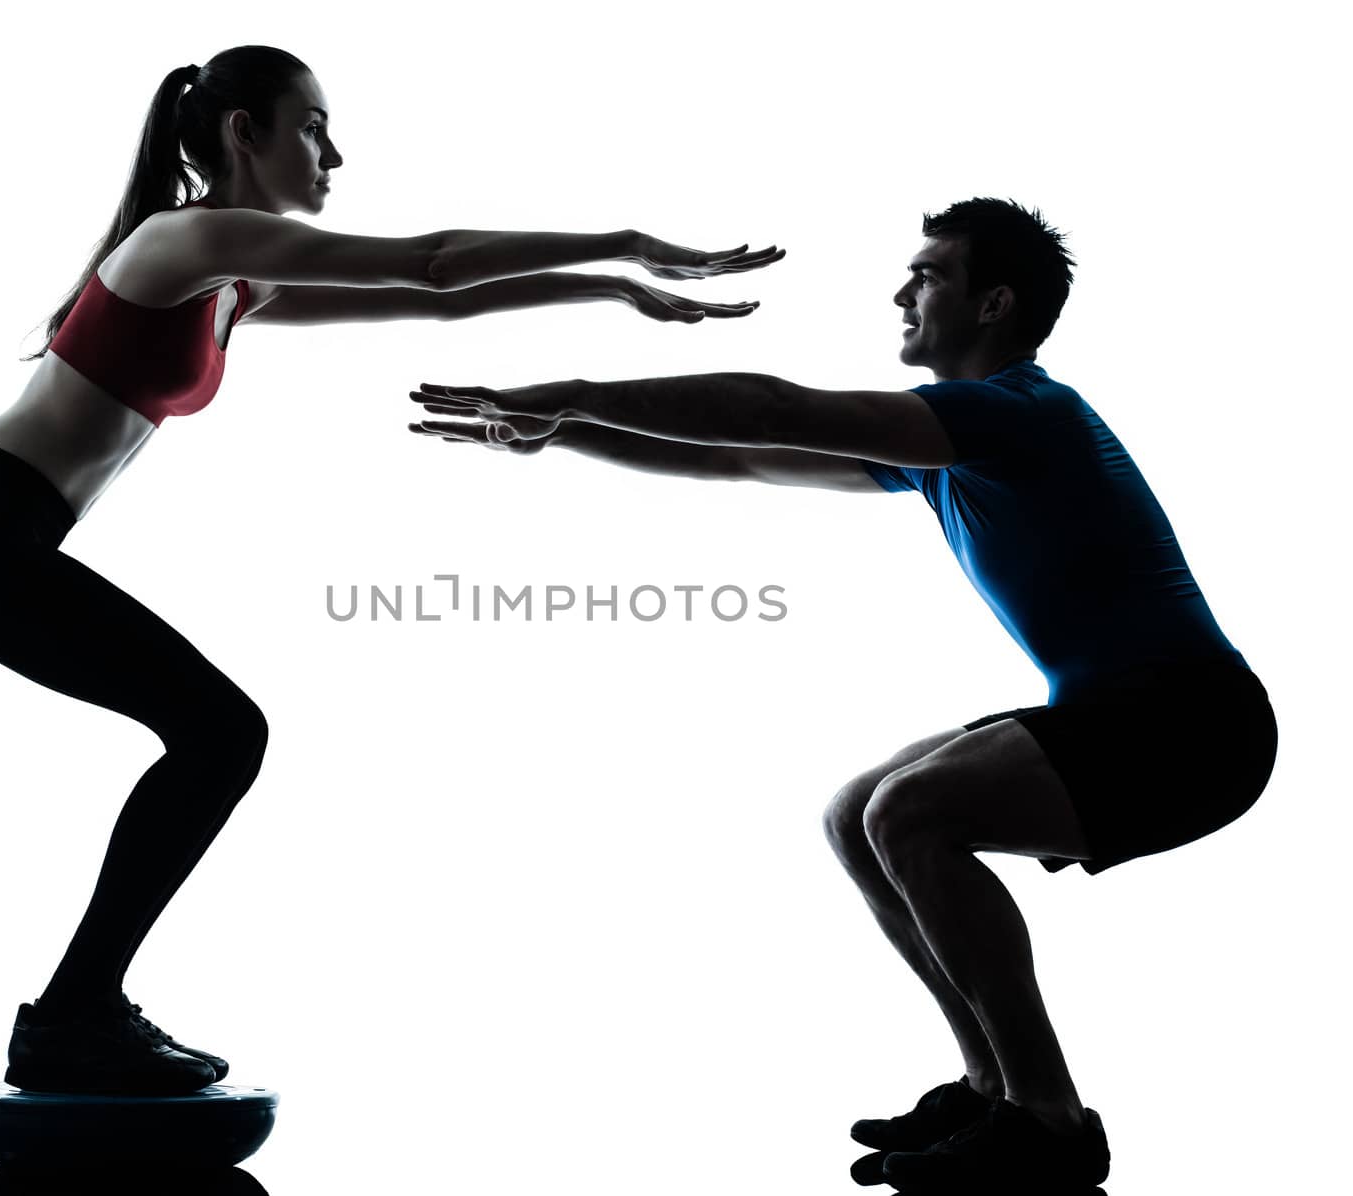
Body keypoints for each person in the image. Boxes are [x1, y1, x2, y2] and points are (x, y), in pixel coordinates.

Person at [0, 43, 783, 1097]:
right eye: (311, 126)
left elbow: (436, 299)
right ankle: (75, 1012)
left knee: (213, 732)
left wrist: (610, 289)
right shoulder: (189, 238)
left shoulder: (229, 280)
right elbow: (433, 259)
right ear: (240, 134)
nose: (334, 154)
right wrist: (623, 242)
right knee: (219, 731)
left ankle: (79, 1007)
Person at [409, 197, 1277, 1191]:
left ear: (993, 303)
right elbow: (740, 453)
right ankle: (992, 1087)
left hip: (1192, 725)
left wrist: (569, 388)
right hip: (1132, 712)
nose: (902, 292)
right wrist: (564, 430)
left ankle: (1049, 1120)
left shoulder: (1019, 413)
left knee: (913, 810)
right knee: (856, 814)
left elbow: (771, 408)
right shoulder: (947, 451)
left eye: (929, 275)